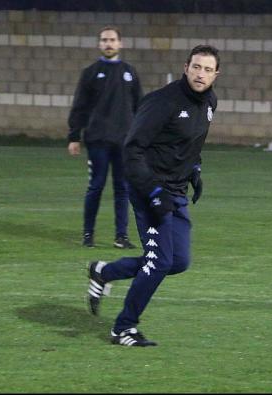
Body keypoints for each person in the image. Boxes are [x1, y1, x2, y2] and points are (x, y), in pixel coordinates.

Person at [86, 45, 220, 347]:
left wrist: (194, 169)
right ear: (186, 67)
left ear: (216, 74)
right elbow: (132, 150)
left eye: (208, 69)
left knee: (178, 261)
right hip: (149, 189)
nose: (201, 74)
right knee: (158, 262)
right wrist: (153, 191)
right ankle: (123, 327)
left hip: (175, 191)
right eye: (196, 67)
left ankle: (104, 271)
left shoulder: (210, 101)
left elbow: (191, 143)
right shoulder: (163, 102)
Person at [67, 26, 143, 249]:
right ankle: (88, 234)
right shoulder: (90, 72)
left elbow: (140, 107)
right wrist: (74, 136)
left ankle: (121, 236)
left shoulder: (130, 72)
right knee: (96, 186)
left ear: (120, 43)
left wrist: (142, 138)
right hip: (98, 139)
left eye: (112, 40)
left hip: (124, 142)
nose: (108, 43)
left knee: (123, 189)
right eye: (104, 40)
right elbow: (79, 106)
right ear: (99, 44)